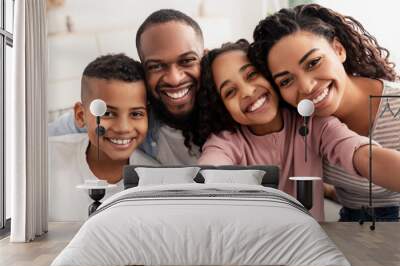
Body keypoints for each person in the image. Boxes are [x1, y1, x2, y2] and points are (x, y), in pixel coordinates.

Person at [196, 40, 400, 221]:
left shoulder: (314, 124)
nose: (248, 92)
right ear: (221, 106)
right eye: (230, 91)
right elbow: (210, 171)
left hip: (309, 253)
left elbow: (362, 155)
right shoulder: (225, 142)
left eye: (252, 75)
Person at [249, 3, 400, 221]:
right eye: (286, 80)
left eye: (313, 63)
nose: (307, 87)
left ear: (339, 50)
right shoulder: (300, 124)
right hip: (353, 226)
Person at [48, 9, 205, 165]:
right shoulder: (134, 110)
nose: (174, 79)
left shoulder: (226, 108)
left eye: (187, 61)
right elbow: (38, 138)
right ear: (143, 71)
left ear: (205, 57)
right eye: (156, 66)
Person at [48, 54, 158, 222]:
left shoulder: (156, 180)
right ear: (80, 115)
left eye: (136, 114)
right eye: (107, 113)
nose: (123, 128)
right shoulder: (45, 159)